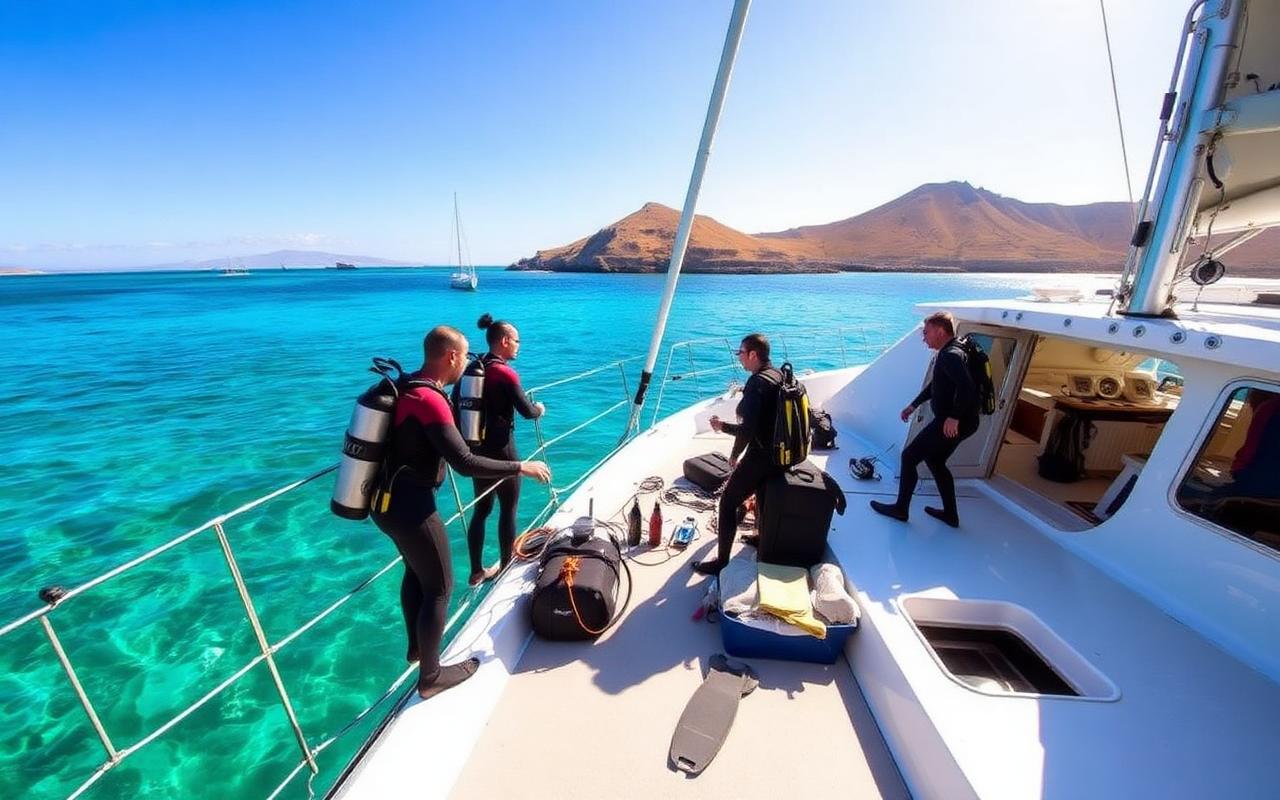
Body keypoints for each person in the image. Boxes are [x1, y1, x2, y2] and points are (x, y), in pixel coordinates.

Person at [371, 325, 551, 699]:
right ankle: (431, 677)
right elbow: (465, 463)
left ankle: (417, 649)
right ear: (451, 356)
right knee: (439, 588)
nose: (466, 364)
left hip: (383, 504)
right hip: (412, 508)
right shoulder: (431, 400)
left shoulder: (407, 387)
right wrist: (522, 467)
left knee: (415, 573)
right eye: (464, 356)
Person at [870, 311, 979, 528]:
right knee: (935, 461)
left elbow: (968, 388)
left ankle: (901, 509)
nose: (924, 338)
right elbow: (938, 385)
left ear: (940, 331)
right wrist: (914, 405)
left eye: (926, 332)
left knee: (909, 456)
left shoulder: (950, 355)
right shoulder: (954, 348)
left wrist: (954, 417)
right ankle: (950, 514)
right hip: (964, 421)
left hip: (954, 421)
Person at [465, 313, 546, 587]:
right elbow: (527, 411)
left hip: (477, 452)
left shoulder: (475, 368)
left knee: (481, 510)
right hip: (503, 451)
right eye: (517, 341)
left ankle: (476, 570)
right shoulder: (504, 372)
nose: (518, 346)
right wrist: (540, 409)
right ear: (504, 341)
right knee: (508, 510)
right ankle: (505, 569)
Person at [693, 333, 782, 576]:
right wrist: (725, 428)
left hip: (762, 455)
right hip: (780, 455)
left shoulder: (757, 383)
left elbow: (748, 430)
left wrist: (734, 454)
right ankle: (761, 536)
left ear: (753, 354)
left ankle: (721, 562)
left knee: (728, 501)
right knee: (761, 491)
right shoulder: (778, 374)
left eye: (740, 353)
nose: (739, 358)